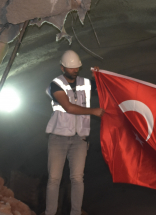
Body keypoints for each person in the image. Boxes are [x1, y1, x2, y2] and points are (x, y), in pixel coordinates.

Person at [44, 50, 104, 215]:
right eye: (71, 68)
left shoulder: (85, 82)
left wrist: (98, 77)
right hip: (58, 138)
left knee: (77, 178)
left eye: (77, 67)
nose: (75, 70)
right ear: (62, 67)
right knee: (54, 179)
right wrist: (94, 111)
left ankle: (76, 212)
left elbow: (104, 88)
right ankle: (50, 212)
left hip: (79, 139)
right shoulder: (55, 84)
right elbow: (68, 107)